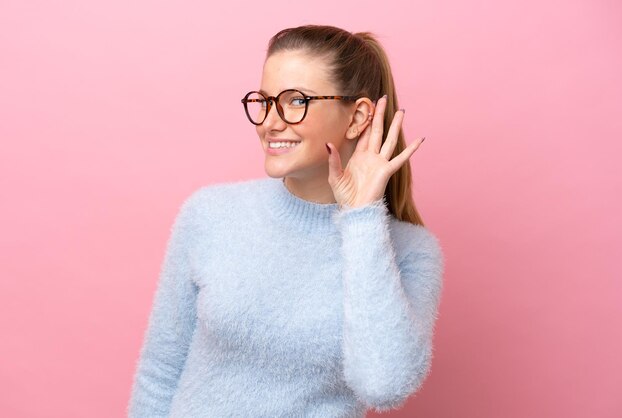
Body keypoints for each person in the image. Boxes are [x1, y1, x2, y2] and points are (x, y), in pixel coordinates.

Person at [128, 24, 444, 417]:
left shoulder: (410, 253)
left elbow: (383, 386)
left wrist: (361, 218)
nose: (269, 123)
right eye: (265, 101)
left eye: (296, 101)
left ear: (358, 117)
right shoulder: (209, 215)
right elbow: (160, 370)